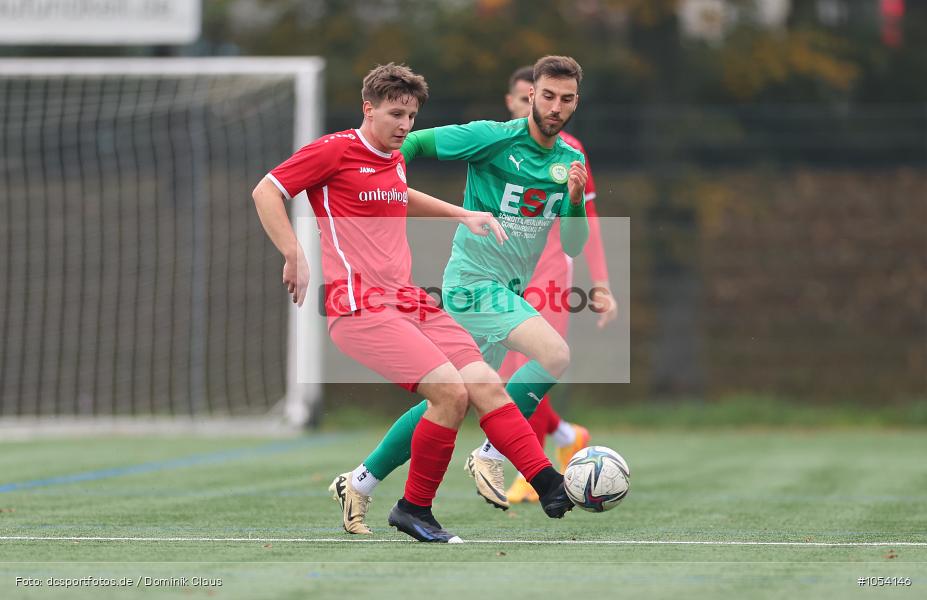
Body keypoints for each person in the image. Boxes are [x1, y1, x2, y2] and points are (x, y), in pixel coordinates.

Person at [252, 63, 572, 543]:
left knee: (483, 382)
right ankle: (414, 508)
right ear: (369, 108)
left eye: (411, 117)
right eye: (395, 114)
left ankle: (549, 484)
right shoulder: (335, 150)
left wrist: (463, 214)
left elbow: (399, 194)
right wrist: (293, 252)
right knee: (449, 392)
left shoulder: (393, 156)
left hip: (407, 298)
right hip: (358, 305)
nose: (404, 125)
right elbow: (267, 190)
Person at [330, 56, 592, 530]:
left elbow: (573, 244)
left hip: (507, 290)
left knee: (450, 398)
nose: (556, 107)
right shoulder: (494, 137)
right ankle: (492, 453)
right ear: (530, 95)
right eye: (548, 95)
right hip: (473, 285)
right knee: (554, 354)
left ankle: (361, 481)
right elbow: (418, 142)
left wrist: (574, 202)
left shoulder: (570, 163)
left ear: (576, 102)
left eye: (566, 99)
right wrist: (385, 185)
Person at [499, 66, 618, 504]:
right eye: (522, 97)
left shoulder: (570, 151)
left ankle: (532, 472)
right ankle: (569, 434)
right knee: (503, 377)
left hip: (548, 278)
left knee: (524, 372)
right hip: (504, 277)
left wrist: (601, 282)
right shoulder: (500, 146)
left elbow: (587, 218)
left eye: (559, 98)